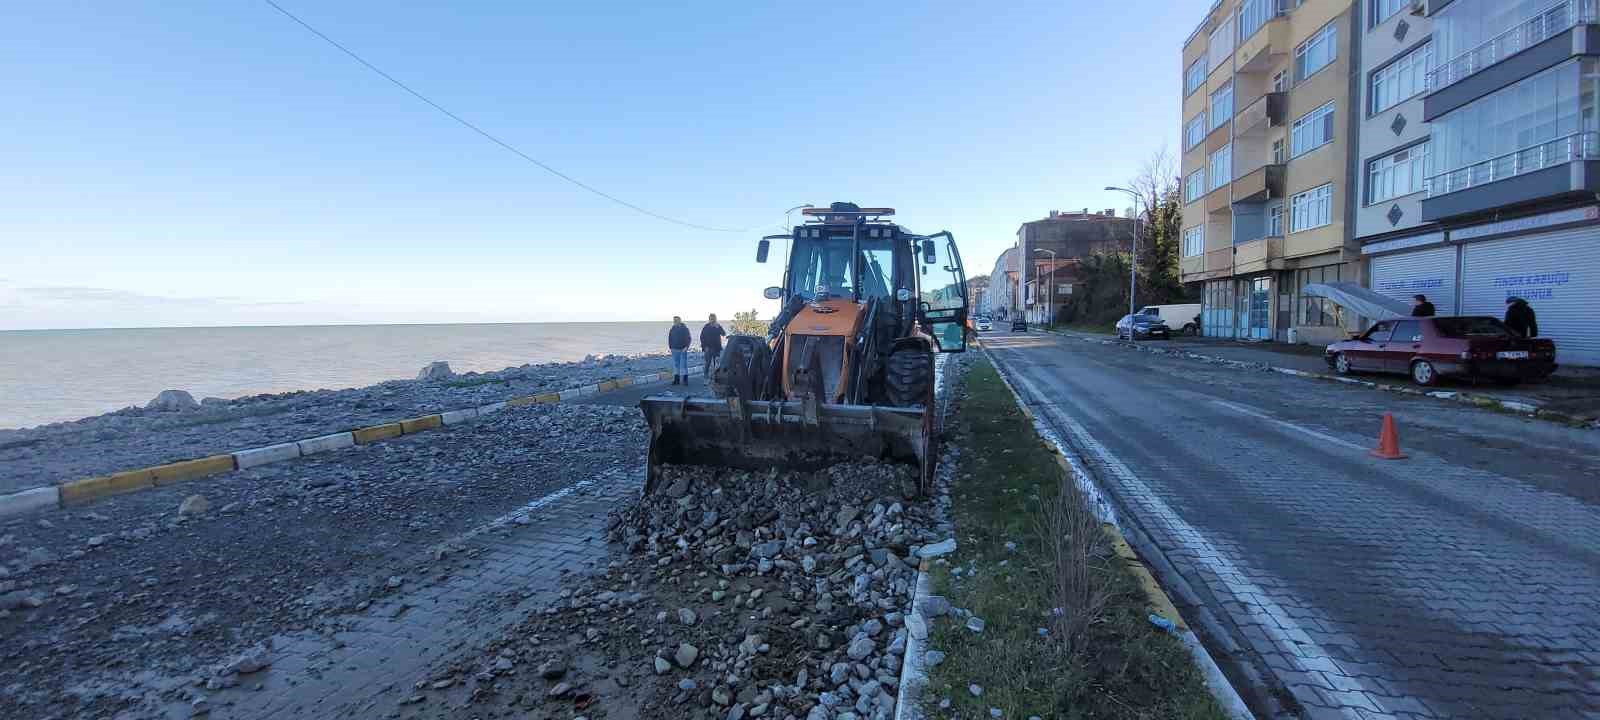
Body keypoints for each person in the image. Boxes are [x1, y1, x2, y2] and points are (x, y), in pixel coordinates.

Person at [667, 316, 692, 385]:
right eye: (674, 321)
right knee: (676, 365)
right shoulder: (672, 329)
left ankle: (685, 380)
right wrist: (670, 347)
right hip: (674, 349)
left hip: (683, 349)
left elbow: (689, 338)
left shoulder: (685, 329)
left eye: (676, 320)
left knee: (683, 365)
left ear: (679, 321)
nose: (675, 322)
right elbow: (670, 338)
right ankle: (676, 380)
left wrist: (686, 347)